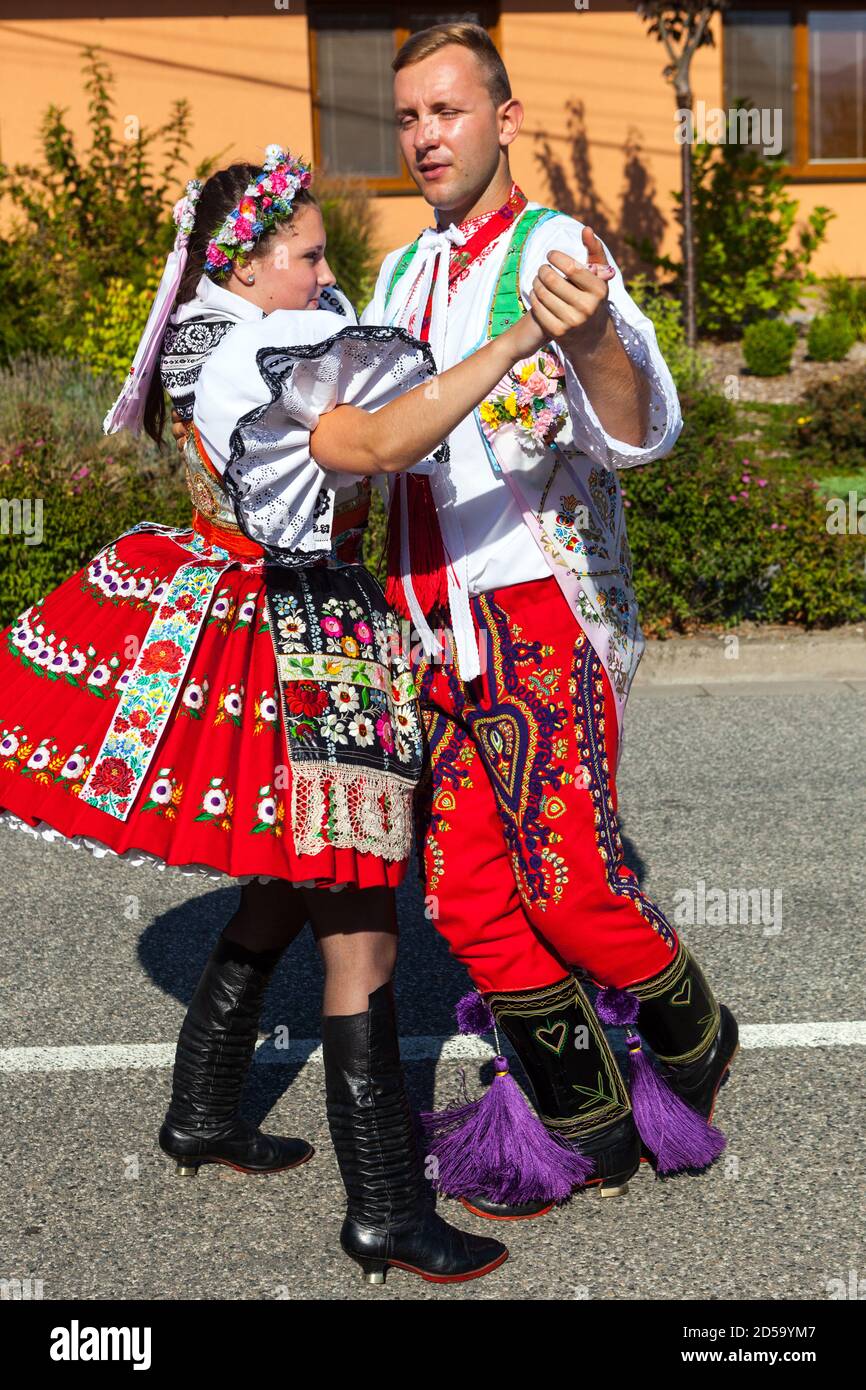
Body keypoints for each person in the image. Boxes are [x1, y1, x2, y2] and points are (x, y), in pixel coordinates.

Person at [0, 145, 552, 1281]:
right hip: (302, 640)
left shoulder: (204, 321)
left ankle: (202, 1110)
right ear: (246, 262)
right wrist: (514, 340)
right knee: (361, 924)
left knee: (280, 877)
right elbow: (375, 444)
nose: (323, 270)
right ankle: (385, 1212)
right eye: (305, 253)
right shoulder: (265, 345)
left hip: (234, 615)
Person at [355, 23, 740, 1219]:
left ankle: (694, 1030)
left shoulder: (555, 247)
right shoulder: (396, 275)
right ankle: (583, 1129)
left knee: (568, 882)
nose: (426, 136)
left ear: (505, 119)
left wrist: (586, 339)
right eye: (410, 116)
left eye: (449, 112)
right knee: (465, 897)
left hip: (535, 614)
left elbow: (637, 429)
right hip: (429, 624)